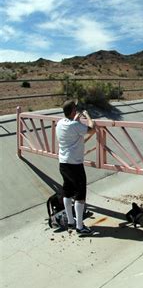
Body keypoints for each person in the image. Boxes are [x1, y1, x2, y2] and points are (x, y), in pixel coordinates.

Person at [56, 100, 96, 235]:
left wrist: (77, 120)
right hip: (75, 165)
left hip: (63, 163)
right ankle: (80, 227)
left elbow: (74, 130)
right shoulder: (75, 126)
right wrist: (88, 116)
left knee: (67, 191)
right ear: (73, 111)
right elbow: (92, 129)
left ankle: (71, 222)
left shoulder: (60, 123)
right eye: (75, 109)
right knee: (80, 195)